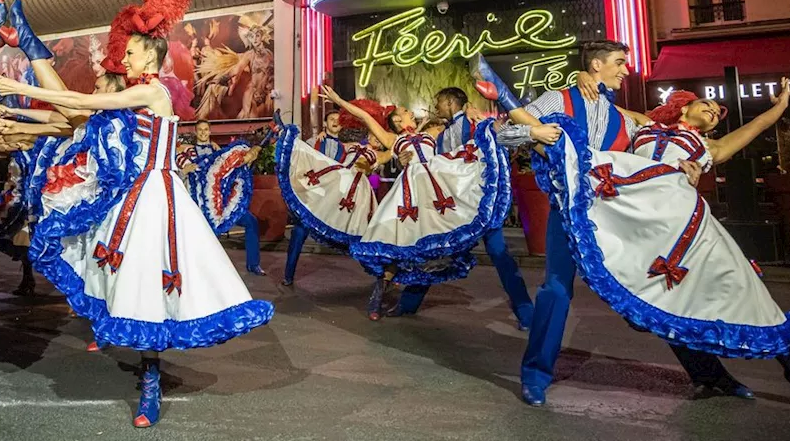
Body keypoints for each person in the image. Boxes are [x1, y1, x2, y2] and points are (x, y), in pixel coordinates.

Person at [0, 0, 273, 428]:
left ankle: (149, 381)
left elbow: (85, 106)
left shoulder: (152, 89)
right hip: (132, 192)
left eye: (136, 48)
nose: (126, 53)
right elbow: (79, 112)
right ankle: (137, 361)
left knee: (151, 282)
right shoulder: (138, 89)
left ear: (152, 55)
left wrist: (22, 90)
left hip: (157, 197)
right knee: (118, 271)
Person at [536, 79, 790, 412]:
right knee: (671, 302)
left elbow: (757, 125)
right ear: (684, 106)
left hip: (693, 229)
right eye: (705, 104)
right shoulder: (644, 124)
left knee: (751, 294)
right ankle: (708, 375)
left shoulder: (711, 147)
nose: (713, 112)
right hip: (651, 231)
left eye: (718, 115)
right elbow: (600, 104)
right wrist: (584, 78)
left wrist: (780, 106)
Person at [492, 40, 752, 407]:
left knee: (661, 285)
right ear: (596, 65)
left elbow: (654, 151)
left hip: (617, 217)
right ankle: (535, 376)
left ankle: (710, 375)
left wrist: (685, 171)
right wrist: (533, 133)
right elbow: (502, 131)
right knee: (556, 290)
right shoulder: (558, 99)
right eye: (618, 62)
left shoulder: (624, 120)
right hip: (570, 212)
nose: (625, 70)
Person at [364, 87, 533, 325]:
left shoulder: (475, 123)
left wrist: (519, 127)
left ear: (451, 102)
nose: (436, 106)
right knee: (434, 250)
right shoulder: (440, 134)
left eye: (439, 102)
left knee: (499, 254)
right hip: (453, 206)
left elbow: (499, 135)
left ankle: (526, 314)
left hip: (477, 200)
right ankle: (408, 304)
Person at [277, 105, 386, 287]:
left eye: (338, 120)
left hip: (349, 192)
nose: (335, 122)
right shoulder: (319, 141)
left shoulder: (356, 147)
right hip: (324, 191)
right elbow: (310, 156)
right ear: (325, 124)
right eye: (332, 120)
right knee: (301, 228)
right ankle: (288, 274)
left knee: (357, 236)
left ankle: (383, 275)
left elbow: (373, 164)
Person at [178, 119, 265, 276]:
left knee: (251, 222)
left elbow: (234, 166)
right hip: (199, 207)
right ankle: (196, 271)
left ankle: (254, 264)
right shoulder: (188, 152)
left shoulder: (219, 153)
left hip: (224, 204)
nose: (203, 132)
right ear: (196, 132)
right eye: (200, 130)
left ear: (210, 132)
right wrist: (184, 170)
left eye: (206, 129)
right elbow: (179, 171)